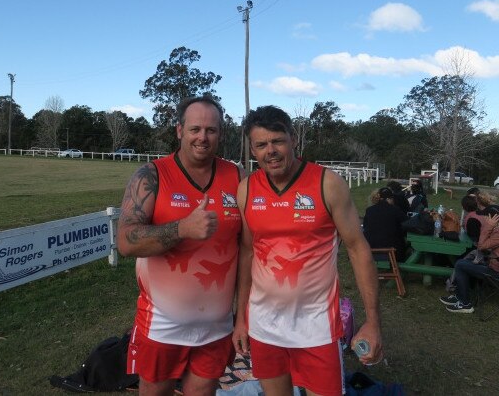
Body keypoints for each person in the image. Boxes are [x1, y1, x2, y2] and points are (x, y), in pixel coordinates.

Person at [233, 106, 382, 396]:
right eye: (261, 145)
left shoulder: (327, 183)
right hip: (264, 327)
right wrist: (240, 318)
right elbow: (248, 253)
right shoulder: (247, 189)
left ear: (293, 139)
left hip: (316, 328)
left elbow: (357, 249)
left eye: (278, 141)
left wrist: (373, 322)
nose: (270, 151)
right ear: (252, 149)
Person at [117, 95, 244, 395]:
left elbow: (251, 244)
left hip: (217, 323)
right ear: (179, 130)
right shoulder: (152, 175)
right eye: (195, 129)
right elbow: (125, 241)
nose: (203, 137)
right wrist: (182, 228)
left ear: (221, 134)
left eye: (211, 130)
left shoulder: (237, 176)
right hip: (163, 322)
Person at [439, 205, 499, 313]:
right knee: (465, 262)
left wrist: (487, 226)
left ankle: (465, 304)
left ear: (491, 218)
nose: (483, 220)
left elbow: (481, 246)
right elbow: (488, 245)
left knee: (460, 265)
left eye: (485, 218)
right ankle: (460, 296)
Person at [363, 187, 409, 261]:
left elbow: (365, 226)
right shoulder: (395, 210)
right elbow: (407, 223)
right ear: (389, 199)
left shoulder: (369, 210)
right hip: (392, 250)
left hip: (371, 247)